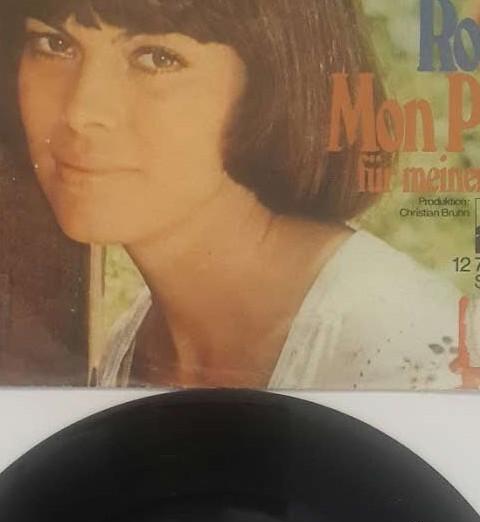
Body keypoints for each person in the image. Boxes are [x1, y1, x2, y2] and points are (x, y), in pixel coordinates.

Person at [4, 0, 464, 390]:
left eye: (157, 58)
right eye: (54, 44)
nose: (82, 111)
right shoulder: (135, 342)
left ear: (273, 82)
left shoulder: (408, 357)